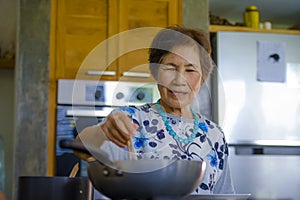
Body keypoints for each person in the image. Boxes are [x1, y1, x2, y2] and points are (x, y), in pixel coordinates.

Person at [76, 26, 235, 194]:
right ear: (155, 72)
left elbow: (224, 195)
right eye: (170, 67)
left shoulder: (214, 135)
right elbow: (81, 147)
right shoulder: (130, 119)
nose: (179, 80)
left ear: (202, 77)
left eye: (190, 70)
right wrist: (102, 131)